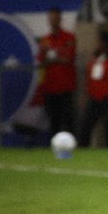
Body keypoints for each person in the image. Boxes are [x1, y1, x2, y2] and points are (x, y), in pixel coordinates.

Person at [78, 30, 108, 147]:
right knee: (86, 125)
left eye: (99, 41)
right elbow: (89, 77)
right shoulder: (95, 57)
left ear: (105, 43)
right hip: (94, 97)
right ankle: (82, 148)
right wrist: (85, 94)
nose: (97, 44)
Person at [35, 8, 76, 138]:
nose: (53, 21)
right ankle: (55, 147)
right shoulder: (45, 40)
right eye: (51, 18)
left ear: (60, 19)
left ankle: (72, 148)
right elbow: (42, 62)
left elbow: (68, 59)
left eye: (55, 18)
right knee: (54, 121)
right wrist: (56, 58)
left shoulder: (69, 37)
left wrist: (52, 58)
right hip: (50, 86)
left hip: (66, 86)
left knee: (68, 120)